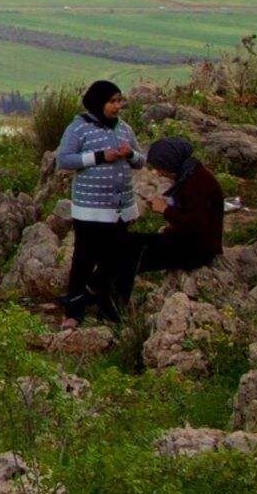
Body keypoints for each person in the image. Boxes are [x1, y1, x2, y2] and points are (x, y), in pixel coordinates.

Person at [51, 79, 140, 322]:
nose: (117, 106)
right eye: (112, 101)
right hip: (91, 210)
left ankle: (108, 311)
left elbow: (140, 161)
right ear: (98, 102)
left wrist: (130, 154)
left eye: (119, 101)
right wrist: (100, 157)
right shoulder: (79, 128)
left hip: (120, 209)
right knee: (84, 258)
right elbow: (64, 160)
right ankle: (74, 312)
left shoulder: (124, 129)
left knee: (114, 260)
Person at [140, 136, 225, 279]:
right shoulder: (190, 174)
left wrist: (165, 209)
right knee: (133, 243)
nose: (159, 173)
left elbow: (197, 225)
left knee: (137, 253)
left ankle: (111, 289)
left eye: (161, 168)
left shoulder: (197, 182)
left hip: (198, 250)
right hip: (189, 242)